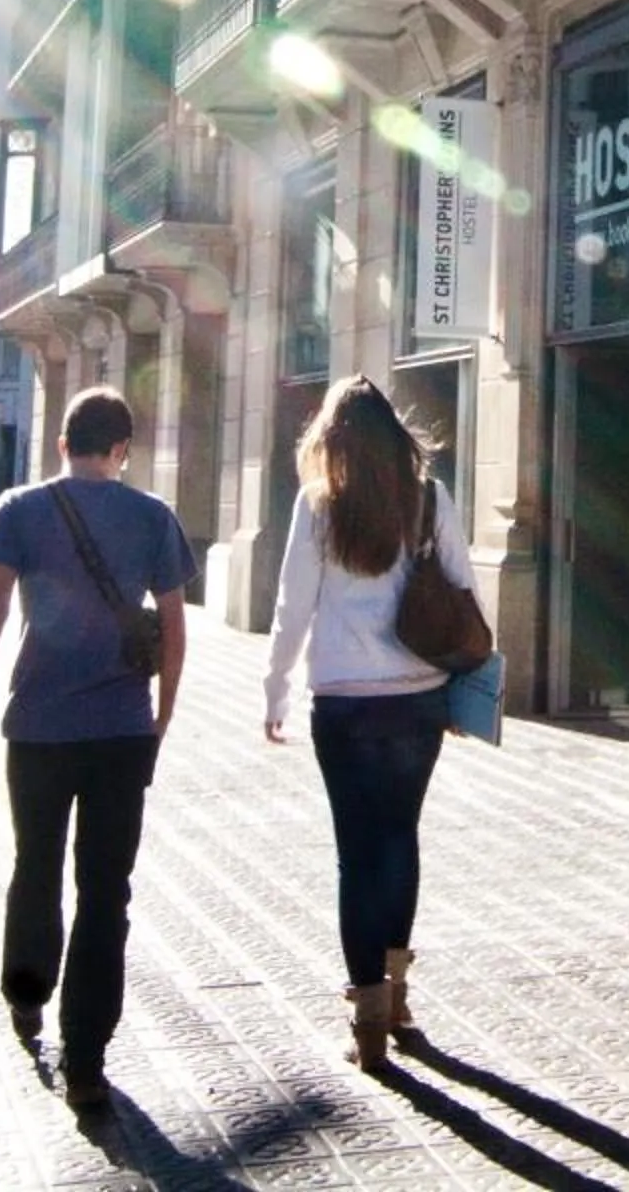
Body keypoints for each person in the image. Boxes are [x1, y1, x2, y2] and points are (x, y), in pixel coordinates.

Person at [0, 388, 190, 1110]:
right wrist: (162, 719)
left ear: (61, 443)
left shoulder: (20, 509)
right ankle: (87, 1057)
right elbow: (173, 630)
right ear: (122, 451)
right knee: (106, 893)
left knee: (35, 865)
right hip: (120, 735)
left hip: (37, 729)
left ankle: (26, 992)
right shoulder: (152, 518)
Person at [261, 376, 474, 1073]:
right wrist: (469, 694)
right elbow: (462, 590)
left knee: (357, 854)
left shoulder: (320, 507)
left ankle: (369, 1019)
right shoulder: (430, 501)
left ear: (335, 440)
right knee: (400, 839)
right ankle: (399, 993)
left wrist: (275, 691)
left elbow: (294, 604)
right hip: (418, 695)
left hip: (346, 702)